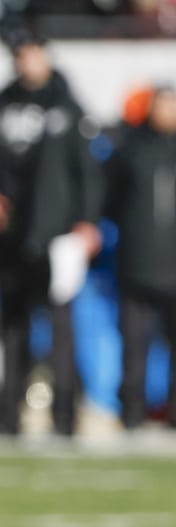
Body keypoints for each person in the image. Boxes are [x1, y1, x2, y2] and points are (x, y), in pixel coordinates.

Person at [0, 27, 102, 437]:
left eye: (30, 53)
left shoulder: (68, 107)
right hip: (11, 235)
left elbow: (87, 171)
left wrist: (87, 220)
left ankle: (65, 415)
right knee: (12, 325)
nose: (24, 61)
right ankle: (8, 414)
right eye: (18, 54)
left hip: (57, 234)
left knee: (62, 327)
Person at [105, 84, 176, 430]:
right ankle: (132, 411)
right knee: (134, 344)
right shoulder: (131, 149)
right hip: (137, 262)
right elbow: (111, 199)